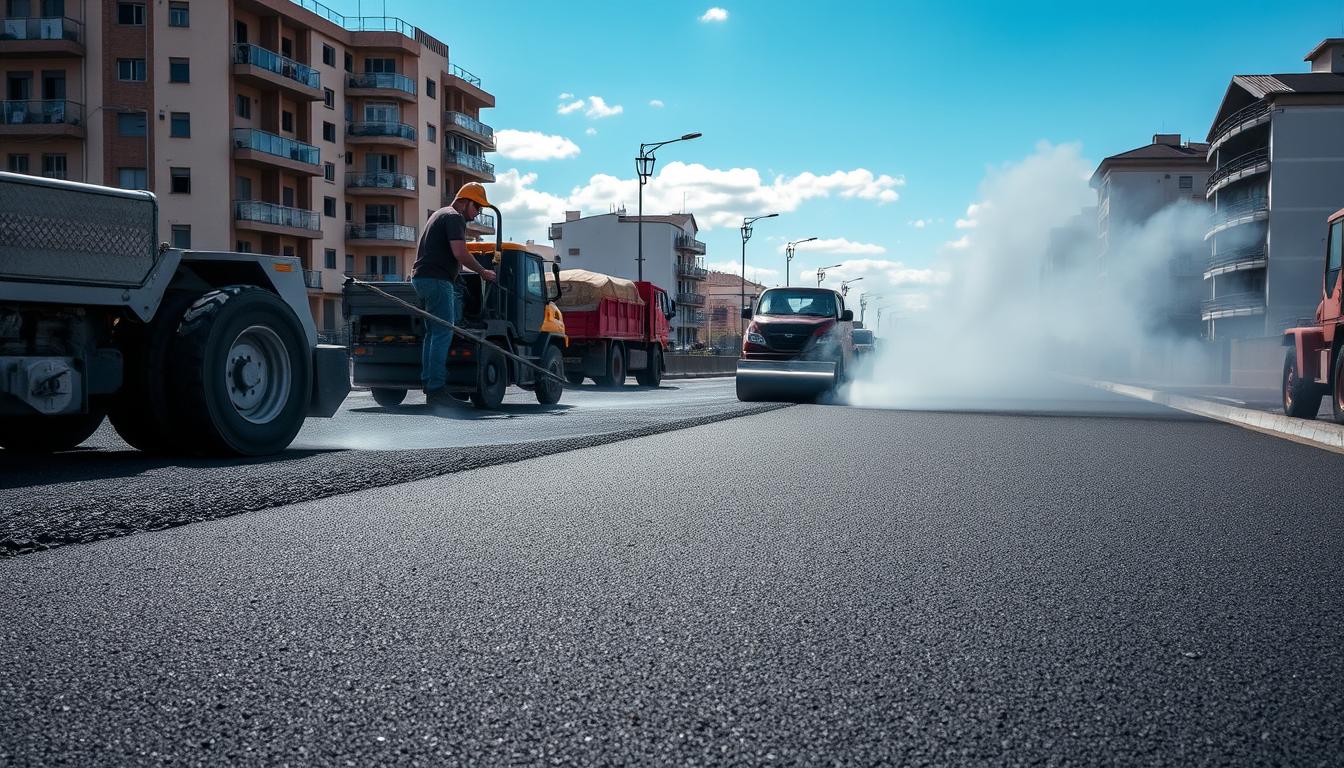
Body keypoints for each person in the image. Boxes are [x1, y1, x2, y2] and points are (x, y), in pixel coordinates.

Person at [411, 182, 497, 404]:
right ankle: (436, 390)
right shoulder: (454, 217)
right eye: (477, 208)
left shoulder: (439, 214)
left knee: (433, 334)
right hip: (437, 281)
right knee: (442, 333)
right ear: (467, 201)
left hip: (422, 279)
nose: (477, 214)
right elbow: (460, 252)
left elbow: (451, 255)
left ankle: (430, 384)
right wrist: (483, 271)